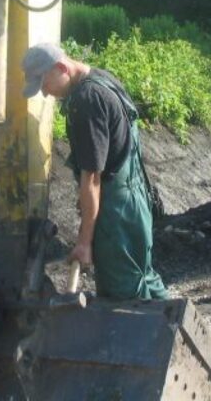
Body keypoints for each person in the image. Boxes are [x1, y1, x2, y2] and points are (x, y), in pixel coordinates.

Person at [21, 43, 167, 301]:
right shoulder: (103, 79)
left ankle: (141, 341)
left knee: (123, 297)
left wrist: (84, 242)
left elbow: (92, 179)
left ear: (61, 68)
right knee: (143, 280)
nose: (44, 92)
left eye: (43, 83)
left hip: (116, 215)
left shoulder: (86, 102)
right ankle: (180, 336)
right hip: (135, 204)